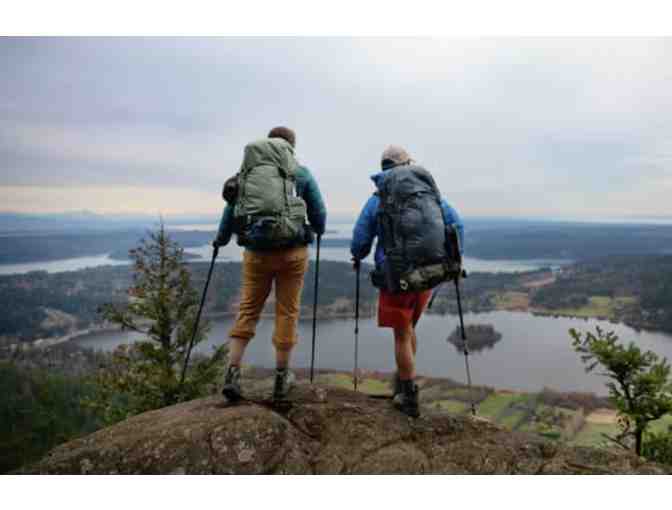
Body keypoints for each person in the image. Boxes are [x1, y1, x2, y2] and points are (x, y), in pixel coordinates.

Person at [214, 126, 327, 401]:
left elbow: (230, 211)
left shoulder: (247, 174)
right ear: (291, 147)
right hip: (292, 253)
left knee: (248, 309)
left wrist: (220, 240)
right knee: (287, 311)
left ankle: (232, 374)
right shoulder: (300, 173)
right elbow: (319, 211)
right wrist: (318, 230)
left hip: (256, 252)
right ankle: (281, 378)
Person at [350, 145, 464, 417]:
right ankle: (403, 383)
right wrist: (453, 261)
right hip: (428, 275)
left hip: (397, 277)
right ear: (408, 164)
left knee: (401, 335)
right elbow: (456, 225)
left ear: (384, 169)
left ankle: (409, 397)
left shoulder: (378, 198)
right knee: (409, 329)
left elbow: (361, 238)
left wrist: (357, 256)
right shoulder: (429, 194)